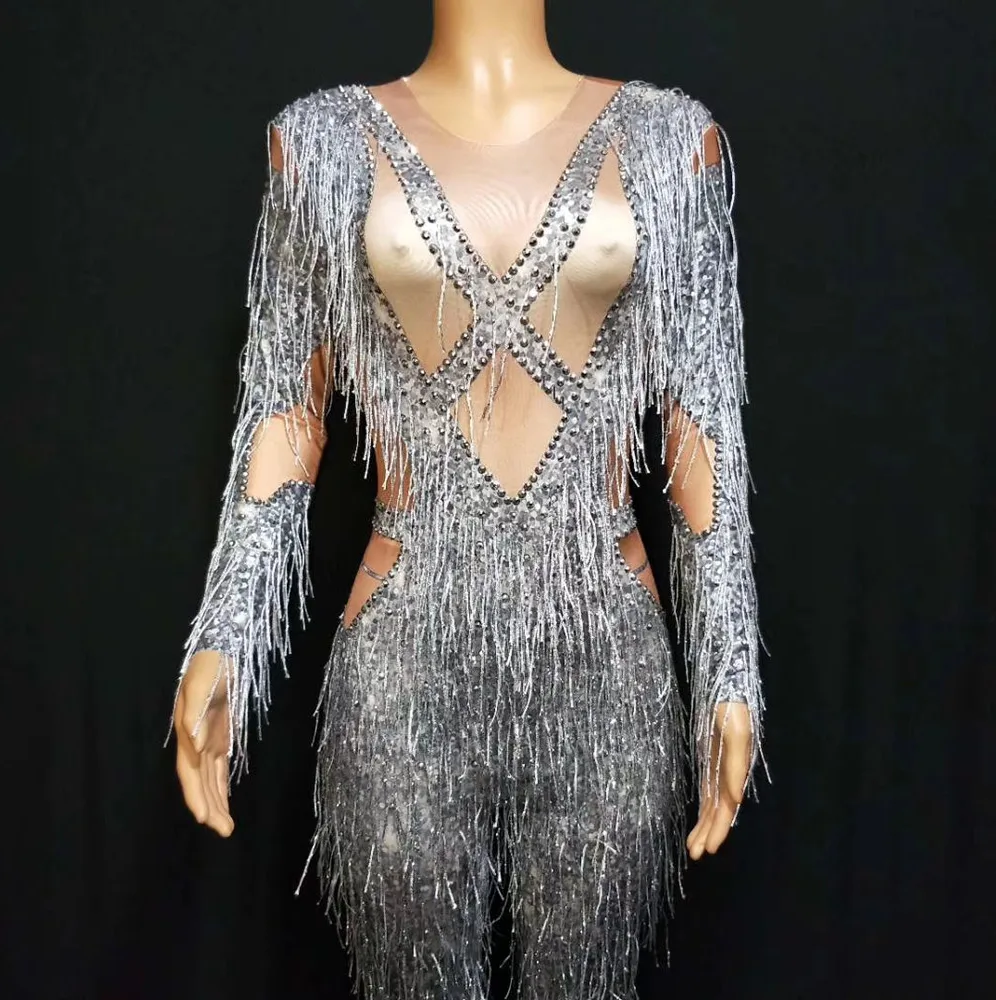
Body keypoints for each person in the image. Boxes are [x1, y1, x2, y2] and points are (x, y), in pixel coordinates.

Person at [168, 1, 765, 996]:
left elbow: (700, 429)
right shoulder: (320, 145)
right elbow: (286, 414)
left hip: (607, 668)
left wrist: (729, 670)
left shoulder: (671, 142)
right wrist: (225, 635)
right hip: (401, 666)